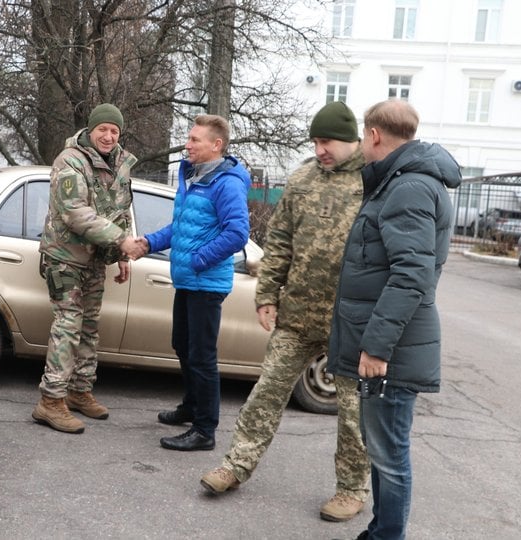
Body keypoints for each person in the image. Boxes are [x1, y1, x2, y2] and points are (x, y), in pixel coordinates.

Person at [199, 101, 371, 523]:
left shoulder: (374, 181)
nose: (320, 149)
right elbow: (278, 243)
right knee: (266, 393)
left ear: (350, 140)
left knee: (352, 413)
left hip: (348, 321)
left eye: (326, 141)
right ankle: (235, 466)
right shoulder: (302, 178)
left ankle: (351, 489)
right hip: (296, 314)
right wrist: (266, 295)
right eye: (315, 141)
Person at [328, 99, 461, 540]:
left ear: (373, 135)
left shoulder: (408, 187)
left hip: (393, 349)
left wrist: (376, 345)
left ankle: (387, 535)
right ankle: (380, 530)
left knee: (389, 453)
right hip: (391, 344)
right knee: (383, 448)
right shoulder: (400, 182)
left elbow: (411, 275)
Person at [33, 103, 146, 434]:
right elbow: (75, 213)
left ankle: (79, 391)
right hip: (65, 257)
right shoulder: (69, 161)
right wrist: (122, 241)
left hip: (96, 258)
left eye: (115, 131)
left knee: (89, 327)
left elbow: (121, 210)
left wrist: (121, 255)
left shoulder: (121, 163)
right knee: (68, 324)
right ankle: (50, 401)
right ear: (91, 130)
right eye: (103, 130)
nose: (109, 136)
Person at [143, 114, 250, 451]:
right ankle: (191, 407)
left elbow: (237, 233)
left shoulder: (226, 182)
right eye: (188, 139)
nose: (186, 145)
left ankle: (205, 429)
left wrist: (199, 259)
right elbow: (180, 229)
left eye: (194, 140)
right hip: (188, 280)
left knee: (202, 355)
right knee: (182, 345)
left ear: (215, 145)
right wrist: (147, 243)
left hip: (206, 283)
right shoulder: (192, 178)